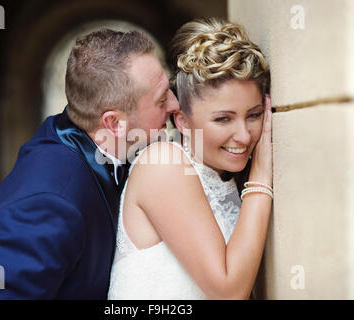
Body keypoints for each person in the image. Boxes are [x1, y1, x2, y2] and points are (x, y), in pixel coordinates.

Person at [0, 29, 179, 299]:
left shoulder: (124, 149)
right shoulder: (46, 204)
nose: (175, 105)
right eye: (162, 99)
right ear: (114, 123)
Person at [107, 18, 273, 299]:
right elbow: (229, 291)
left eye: (254, 115)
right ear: (182, 121)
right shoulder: (162, 164)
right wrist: (260, 177)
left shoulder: (222, 176)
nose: (244, 136)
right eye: (223, 119)